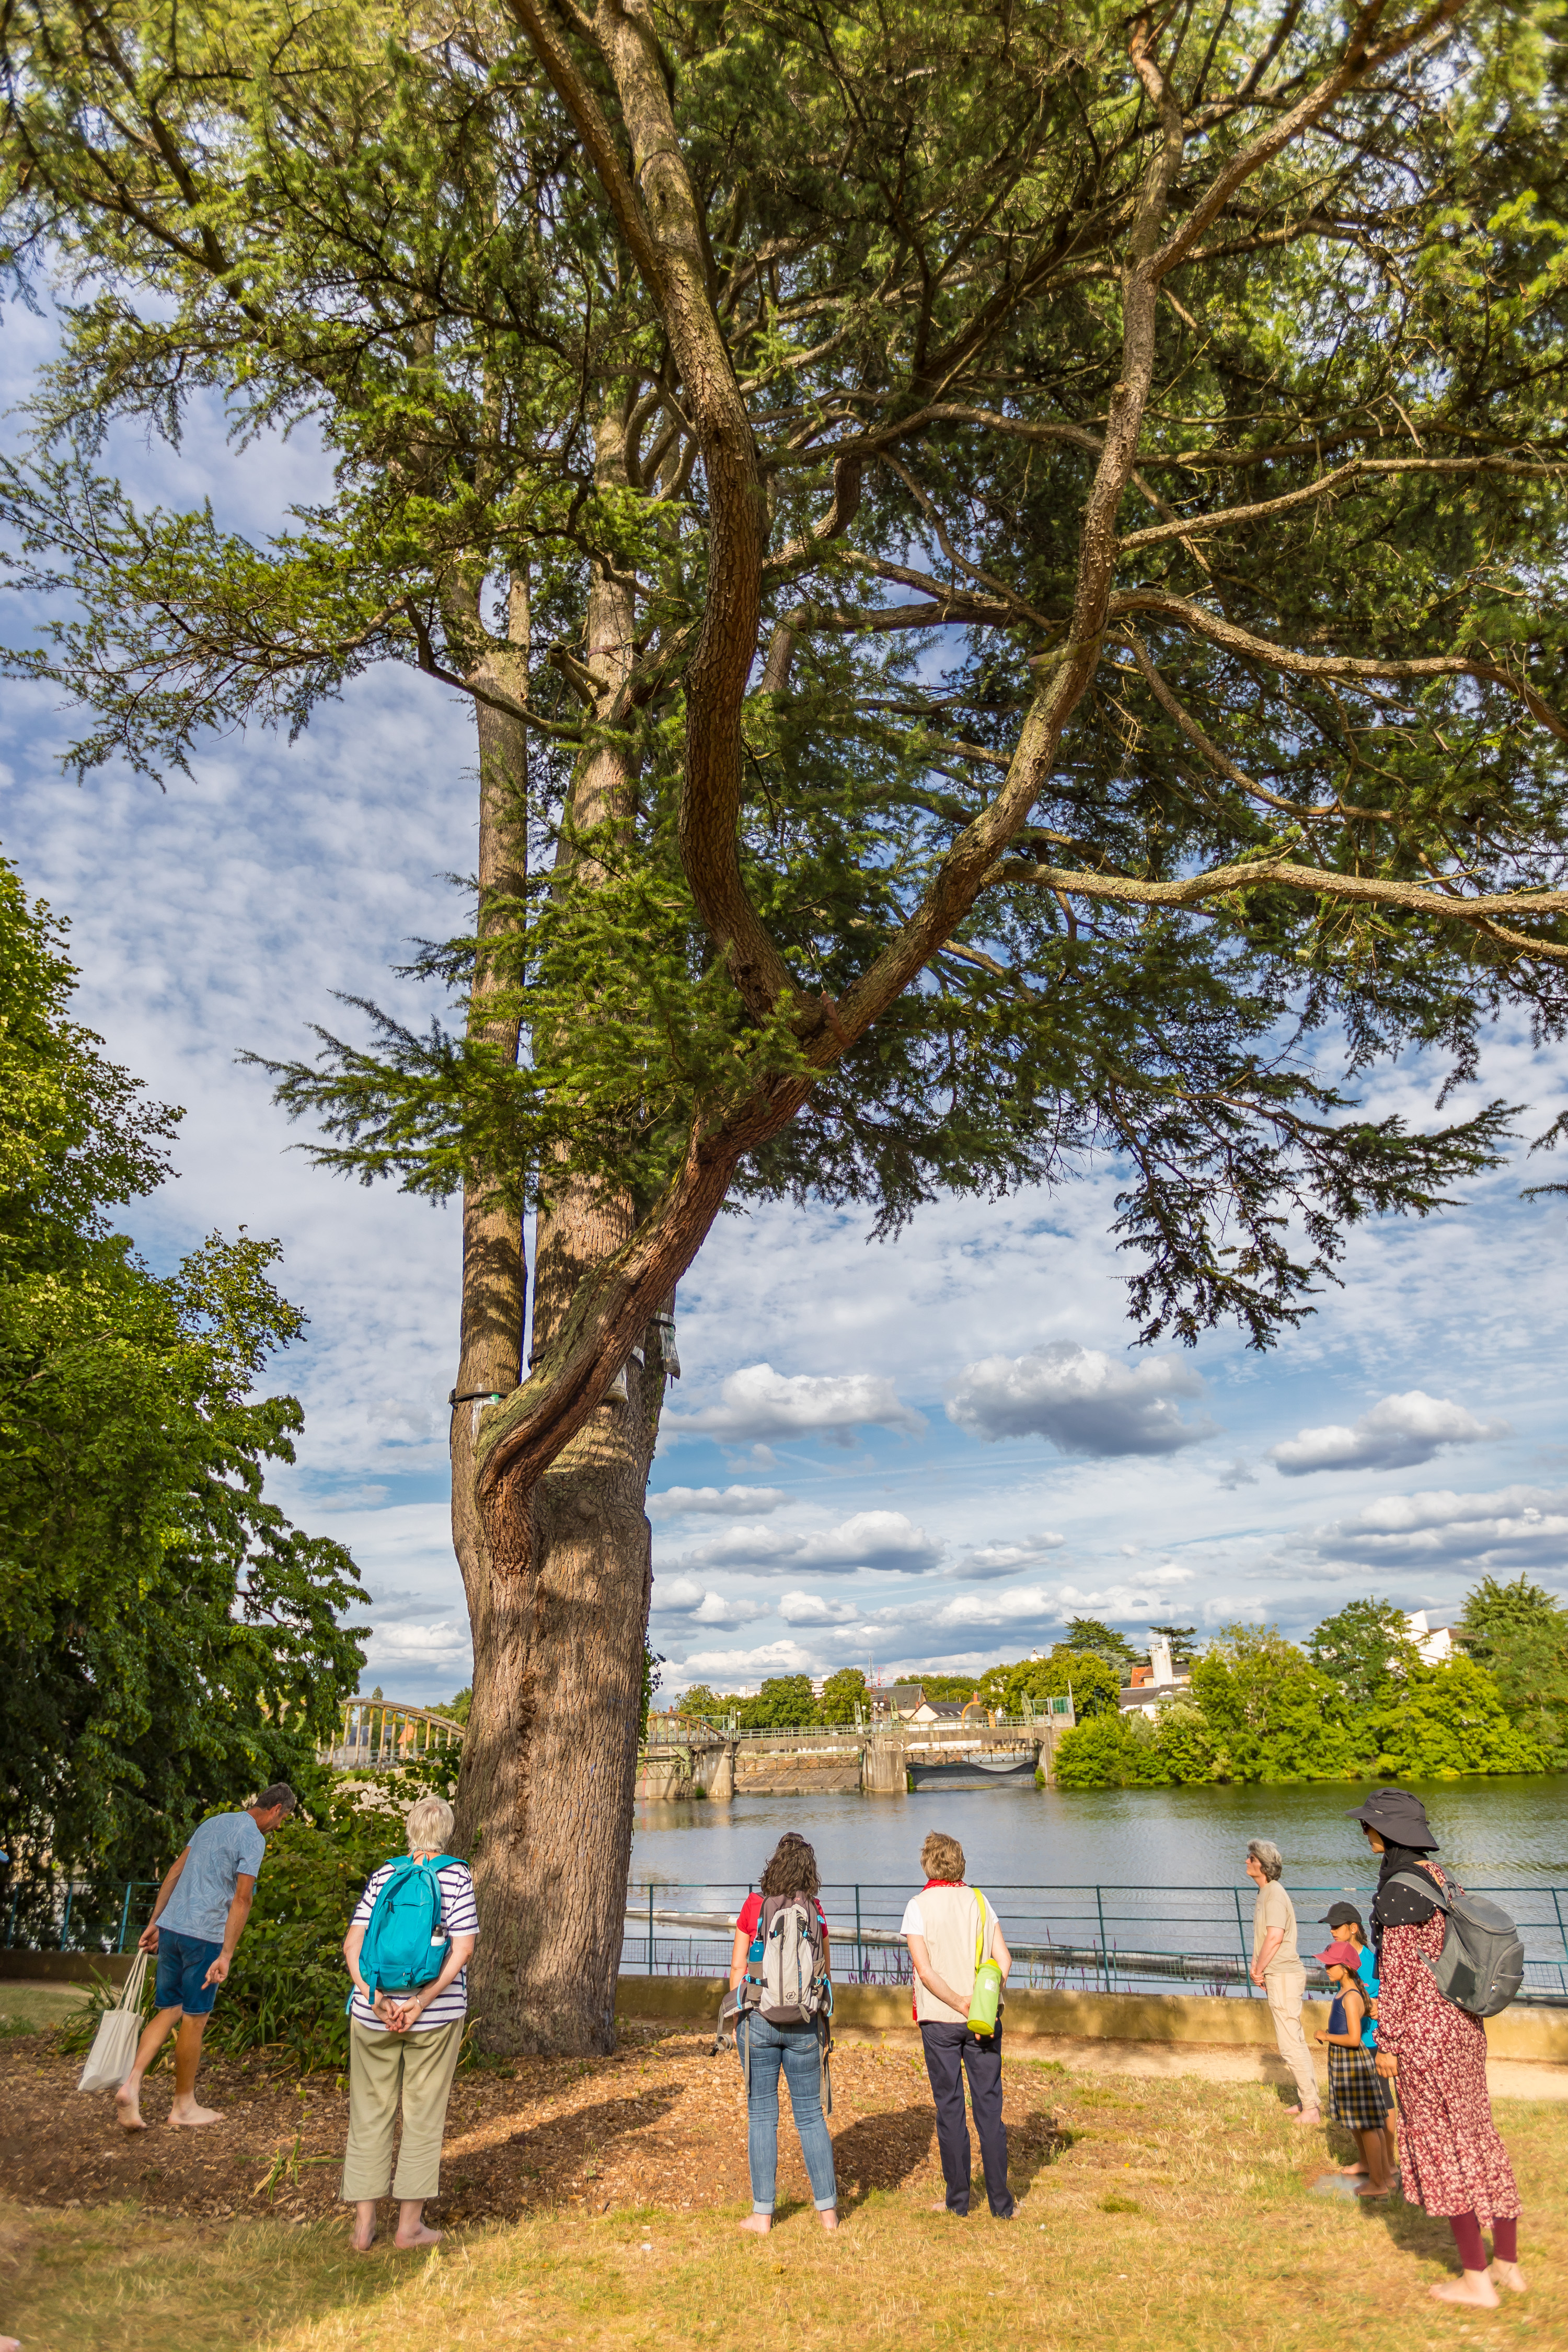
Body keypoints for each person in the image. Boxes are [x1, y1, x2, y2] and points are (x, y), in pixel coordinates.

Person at [1352, 1789, 1525, 2308]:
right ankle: (1507, 2267)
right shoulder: (1439, 1878)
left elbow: (1399, 1979)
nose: (1365, 1833)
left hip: (1425, 2038)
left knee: (1443, 2150)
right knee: (1479, 2140)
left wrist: (1387, 2043)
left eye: (1369, 1825)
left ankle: (1475, 2281)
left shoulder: (1396, 1894)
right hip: (1464, 2030)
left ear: (1390, 1832)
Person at [341, 1793, 478, 2254]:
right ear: (446, 1833)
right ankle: (409, 2228)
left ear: (410, 1830)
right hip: (434, 2017)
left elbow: (352, 1946)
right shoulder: (456, 1875)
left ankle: (363, 2228)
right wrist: (419, 2004)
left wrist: (375, 1998)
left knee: (368, 2112)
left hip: (372, 2013)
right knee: (423, 2115)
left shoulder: (385, 1874)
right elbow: (462, 1949)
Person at [115, 1783, 296, 2131]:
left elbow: (174, 1871)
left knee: (168, 2009)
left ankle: (131, 2084)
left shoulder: (213, 1822)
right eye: (282, 1820)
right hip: (205, 1936)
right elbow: (242, 1899)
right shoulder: (254, 1839)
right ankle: (183, 2106)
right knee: (194, 2018)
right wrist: (226, 1954)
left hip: (172, 1929)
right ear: (276, 1810)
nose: (278, 1826)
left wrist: (156, 1922)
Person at [727, 1831, 839, 2235]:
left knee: (762, 2117)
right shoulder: (816, 1910)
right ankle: (828, 2215)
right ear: (810, 1872)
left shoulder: (754, 1906)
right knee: (810, 2116)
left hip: (758, 2021)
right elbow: (825, 1969)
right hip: (805, 2025)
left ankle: (762, 2216)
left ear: (773, 1865)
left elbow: (738, 1970)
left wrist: (741, 2016)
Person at [902, 1830, 1014, 2220]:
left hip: (939, 2020)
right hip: (983, 2020)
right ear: (960, 1863)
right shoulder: (981, 1901)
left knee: (950, 2109)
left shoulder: (918, 1906)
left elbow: (925, 1970)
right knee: (989, 2108)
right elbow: (1004, 1960)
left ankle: (958, 2200)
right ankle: (1002, 2204)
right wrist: (978, 2001)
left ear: (928, 1864)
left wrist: (955, 2002)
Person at [1318, 1900, 1398, 2184]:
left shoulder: (1371, 1961)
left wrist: (1377, 2005)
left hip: (1371, 2042)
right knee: (1357, 2108)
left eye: (1337, 1926)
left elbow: (1389, 1996)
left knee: (1381, 2102)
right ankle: (1368, 2161)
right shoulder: (1339, 1959)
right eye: (1330, 1927)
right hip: (1354, 2045)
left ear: (1354, 1928)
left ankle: (1388, 2162)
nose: (1332, 1931)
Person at [1244, 1839, 1319, 2124]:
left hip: (1284, 1974)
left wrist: (1258, 1970)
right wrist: (1259, 1966)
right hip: (1279, 1974)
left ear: (1262, 1864)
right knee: (1294, 2040)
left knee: (1290, 2044)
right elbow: (1266, 1938)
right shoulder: (1266, 1892)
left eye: (1250, 1858)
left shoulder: (1273, 1894)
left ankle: (1312, 2108)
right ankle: (1308, 2100)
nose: (1247, 1862)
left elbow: (1275, 1937)